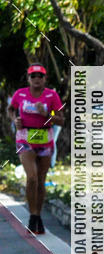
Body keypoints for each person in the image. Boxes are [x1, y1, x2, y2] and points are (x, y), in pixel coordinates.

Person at [9, 64, 64, 235]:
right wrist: (15, 120)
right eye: (33, 76)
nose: (37, 79)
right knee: (31, 177)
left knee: (40, 180)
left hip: (45, 140)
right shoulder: (20, 94)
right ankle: (32, 215)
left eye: (40, 76)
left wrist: (47, 115)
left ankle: (37, 215)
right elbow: (11, 109)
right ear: (28, 79)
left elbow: (61, 120)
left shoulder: (51, 95)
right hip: (25, 139)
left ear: (45, 79)